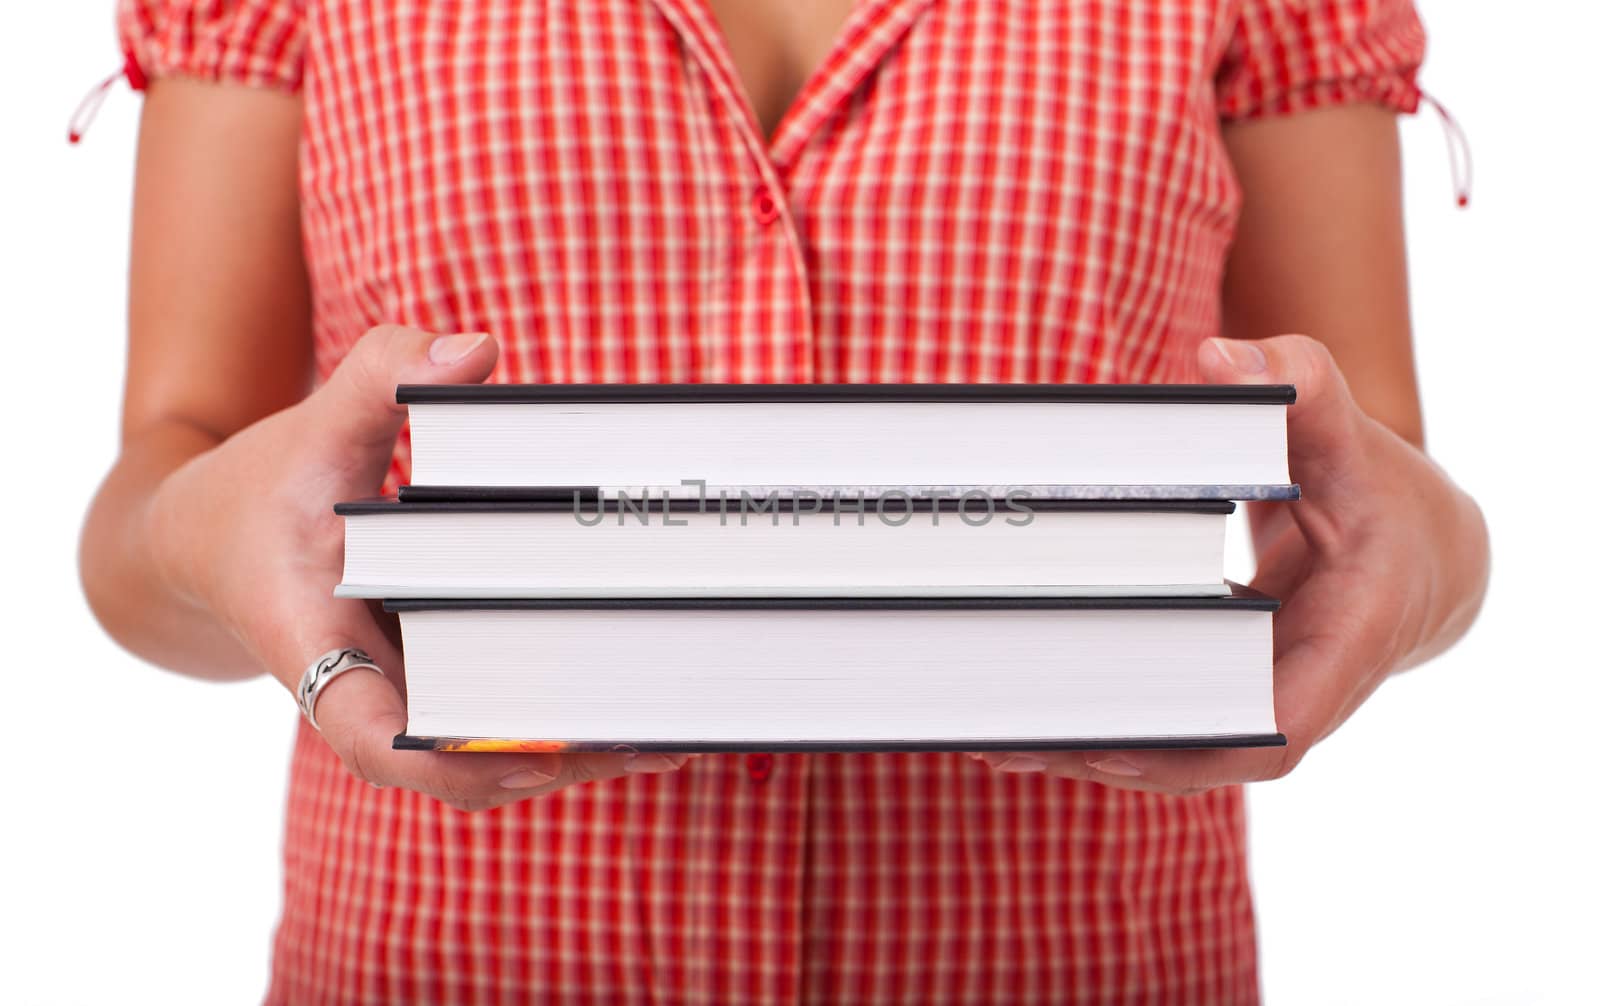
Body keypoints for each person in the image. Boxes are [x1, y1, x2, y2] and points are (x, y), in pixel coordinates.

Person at [81, 0, 1488, 1002]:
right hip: (434, 957)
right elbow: (171, 469)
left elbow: (1372, 484)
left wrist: (1425, 562)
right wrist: (216, 536)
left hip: (1094, 959)